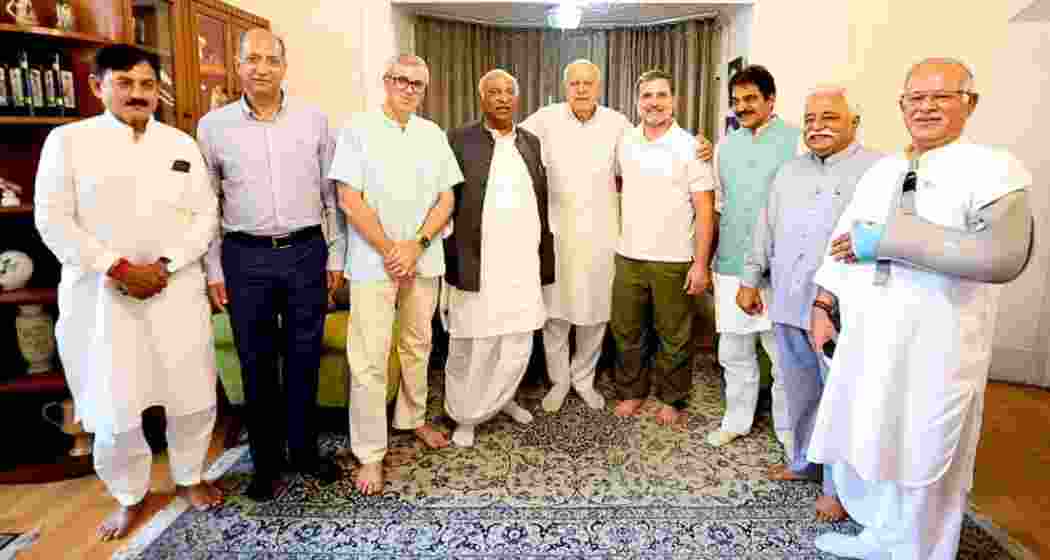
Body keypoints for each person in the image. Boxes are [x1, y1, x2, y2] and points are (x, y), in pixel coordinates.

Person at [809, 58, 1033, 559]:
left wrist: (893, 240)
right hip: (873, 337)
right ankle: (881, 535)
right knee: (876, 437)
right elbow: (843, 243)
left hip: (940, 344)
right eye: (916, 97)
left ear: (969, 103)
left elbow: (1003, 255)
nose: (926, 107)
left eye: (942, 96)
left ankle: (921, 550)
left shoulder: (993, 169)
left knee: (928, 451)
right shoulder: (884, 170)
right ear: (902, 105)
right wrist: (823, 302)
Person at [34, 44, 222, 540]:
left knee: (193, 394)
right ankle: (129, 495)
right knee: (114, 404)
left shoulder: (180, 144)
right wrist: (116, 267)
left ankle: (188, 477)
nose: (138, 94)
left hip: (173, 287)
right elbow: (52, 220)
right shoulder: (67, 142)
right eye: (125, 83)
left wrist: (163, 265)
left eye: (146, 84)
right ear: (99, 87)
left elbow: (205, 216)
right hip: (102, 298)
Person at [197, 29, 344, 501]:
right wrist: (214, 270)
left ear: (285, 65)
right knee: (255, 363)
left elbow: (331, 198)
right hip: (245, 256)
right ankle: (265, 462)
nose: (262, 68)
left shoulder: (314, 120)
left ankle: (303, 451)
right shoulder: (213, 127)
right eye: (252, 59)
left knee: (304, 359)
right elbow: (207, 205)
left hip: (305, 251)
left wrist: (335, 256)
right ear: (238, 65)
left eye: (271, 59)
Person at [736, 86, 882, 521]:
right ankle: (803, 463)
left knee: (840, 397)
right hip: (787, 299)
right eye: (812, 118)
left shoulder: (877, 171)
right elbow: (765, 228)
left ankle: (839, 490)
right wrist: (748, 279)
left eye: (830, 118)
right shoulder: (788, 172)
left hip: (841, 310)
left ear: (854, 122)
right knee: (798, 390)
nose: (818, 126)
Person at [330, 54, 461, 494]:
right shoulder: (358, 129)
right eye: (401, 81)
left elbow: (447, 199)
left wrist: (417, 245)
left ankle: (414, 418)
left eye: (417, 84)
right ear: (386, 81)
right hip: (373, 263)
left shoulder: (432, 134)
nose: (409, 89)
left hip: (423, 258)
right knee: (369, 358)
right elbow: (349, 198)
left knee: (418, 344)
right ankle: (370, 453)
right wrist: (391, 250)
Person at [442, 69, 554, 447]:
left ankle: (501, 399)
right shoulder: (458, 139)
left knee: (516, 340)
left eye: (509, 92)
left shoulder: (531, 142)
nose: (503, 98)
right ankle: (466, 414)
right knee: (474, 342)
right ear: (481, 98)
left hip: (521, 261)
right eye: (494, 92)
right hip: (477, 262)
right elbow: (444, 198)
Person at [519, 59, 631, 412]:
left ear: (599, 87)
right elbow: (509, 142)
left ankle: (583, 379)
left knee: (595, 314)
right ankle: (559, 381)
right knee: (555, 316)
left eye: (588, 83)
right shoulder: (544, 119)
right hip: (556, 236)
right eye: (574, 84)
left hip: (602, 237)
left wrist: (698, 148)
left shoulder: (618, 124)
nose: (581, 90)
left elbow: (650, 152)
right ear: (565, 87)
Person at [610, 70, 716, 426]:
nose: (654, 102)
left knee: (674, 336)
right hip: (629, 255)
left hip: (673, 258)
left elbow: (704, 209)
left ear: (674, 101)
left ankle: (673, 397)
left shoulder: (691, 147)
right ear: (638, 102)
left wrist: (700, 265)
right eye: (647, 96)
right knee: (627, 332)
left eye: (661, 95)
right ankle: (632, 391)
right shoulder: (625, 141)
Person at [706, 64, 795, 449]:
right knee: (734, 351)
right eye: (736, 101)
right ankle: (736, 420)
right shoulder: (725, 146)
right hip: (730, 264)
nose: (742, 107)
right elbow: (723, 206)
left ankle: (789, 433)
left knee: (782, 356)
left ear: (770, 100)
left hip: (777, 268)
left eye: (750, 99)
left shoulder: (797, 141)